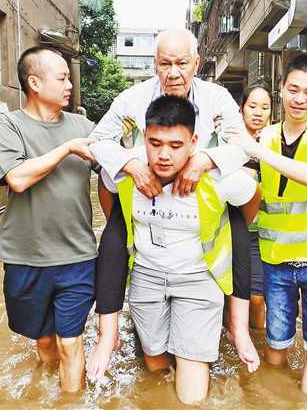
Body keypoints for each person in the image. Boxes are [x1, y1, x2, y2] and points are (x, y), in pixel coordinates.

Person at [86, 28, 259, 379]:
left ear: (196, 63)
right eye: (165, 64)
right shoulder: (132, 99)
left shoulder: (216, 97)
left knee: (237, 233)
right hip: (144, 189)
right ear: (155, 64)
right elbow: (97, 142)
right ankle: (111, 334)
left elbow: (243, 145)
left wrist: (203, 161)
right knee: (115, 238)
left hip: (205, 189)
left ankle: (237, 328)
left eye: (182, 63)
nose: (173, 73)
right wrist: (131, 165)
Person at [101, 95, 261, 405]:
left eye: (176, 146)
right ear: (144, 138)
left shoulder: (220, 177)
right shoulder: (125, 170)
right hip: (147, 276)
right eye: (155, 143)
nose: (163, 155)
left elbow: (250, 202)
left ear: (194, 142)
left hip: (199, 279)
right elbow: (110, 197)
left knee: (191, 395)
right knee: (156, 364)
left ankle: (195, 354)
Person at [228, 54, 307, 398]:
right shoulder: (265, 137)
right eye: (293, 89)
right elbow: (240, 185)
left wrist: (255, 149)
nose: (300, 98)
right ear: (281, 90)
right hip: (275, 260)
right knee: (276, 349)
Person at [0, 46, 96, 393]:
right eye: (62, 78)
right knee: (46, 342)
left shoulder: (84, 127)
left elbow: (118, 171)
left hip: (78, 256)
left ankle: (71, 400)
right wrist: (66, 148)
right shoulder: (9, 126)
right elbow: (17, 179)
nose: (69, 85)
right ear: (34, 82)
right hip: (26, 258)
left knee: (71, 343)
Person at [239, 84, 272, 329]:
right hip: (233, 229)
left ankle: (260, 343)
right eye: (253, 106)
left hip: (265, 233)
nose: (258, 112)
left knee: (258, 298)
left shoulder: (275, 144)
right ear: (241, 108)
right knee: (233, 296)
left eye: (265, 107)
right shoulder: (228, 141)